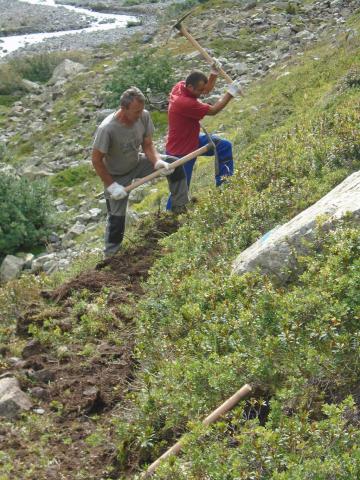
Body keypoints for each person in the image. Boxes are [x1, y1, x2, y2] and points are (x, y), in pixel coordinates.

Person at [92, 87, 189, 258]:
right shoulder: (107, 129)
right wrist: (112, 185)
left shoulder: (143, 115)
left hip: (137, 162)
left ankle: (180, 210)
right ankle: (110, 256)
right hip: (115, 175)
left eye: (140, 110)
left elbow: (147, 144)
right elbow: (96, 161)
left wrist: (157, 161)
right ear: (123, 108)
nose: (139, 115)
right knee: (117, 218)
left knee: (174, 165)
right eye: (135, 112)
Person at [165, 67, 242, 210]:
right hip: (180, 153)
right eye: (199, 91)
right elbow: (213, 111)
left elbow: (206, 89)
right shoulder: (185, 103)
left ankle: (225, 186)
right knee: (180, 190)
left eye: (202, 90)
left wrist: (213, 74)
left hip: (193, 140)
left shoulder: (180, 86)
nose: (202, 94)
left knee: (223, 146)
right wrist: (230, 93)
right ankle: (169, 217)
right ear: (190, 87)